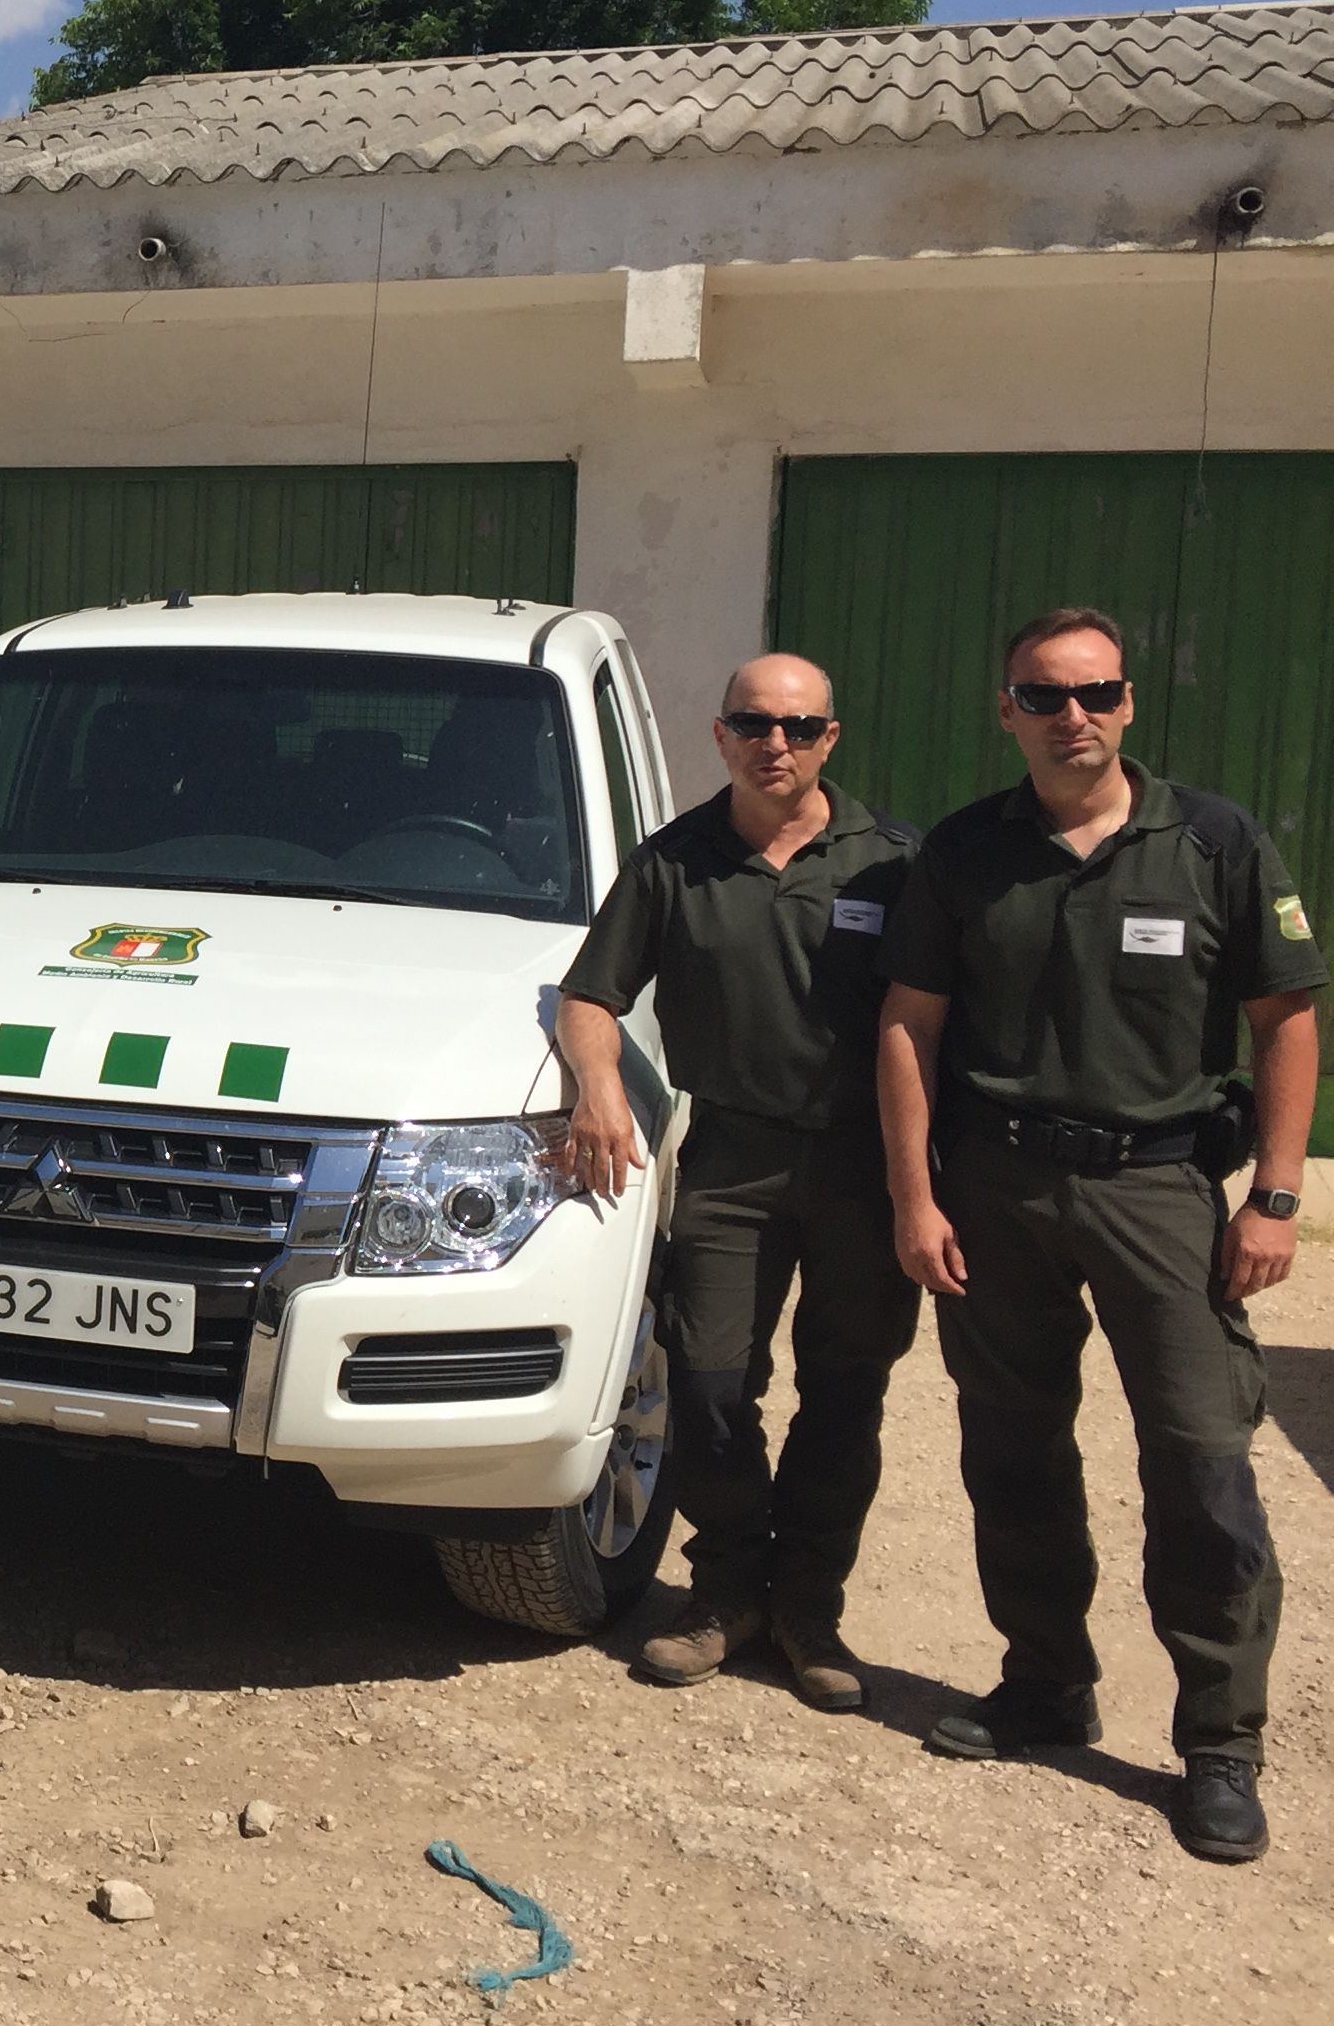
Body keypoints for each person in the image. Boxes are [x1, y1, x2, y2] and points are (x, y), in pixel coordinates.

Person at [879, 606, 1322, 1866]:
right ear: (1007, 710)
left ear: (1128, 705)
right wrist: (916, 1198)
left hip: (1159, 1191)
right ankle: (1044, 1683)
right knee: (1011, 1447)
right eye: (1045, 694)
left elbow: (1285, 1017)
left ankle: (1220, 1743)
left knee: (1200, 1461)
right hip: (999, 1190)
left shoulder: (1216, 842)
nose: (1074, 715)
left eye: (1098, 693)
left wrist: (1276, 1197)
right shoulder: (967, 853)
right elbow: (909, 1024)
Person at [557, 654, 920, 1708]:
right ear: (720, 735)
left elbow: (941, 1016)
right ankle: (724, 1593)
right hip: (732, 1161)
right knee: (710, 1386)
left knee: (845, 1393)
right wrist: (598, 1087)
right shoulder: (676, 860)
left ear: (831, 738)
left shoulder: (894, 864)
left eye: (801, 726)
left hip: (862, 1165)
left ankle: (808, 1606)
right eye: (755, 724)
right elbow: (591, 993)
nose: (778, 744)